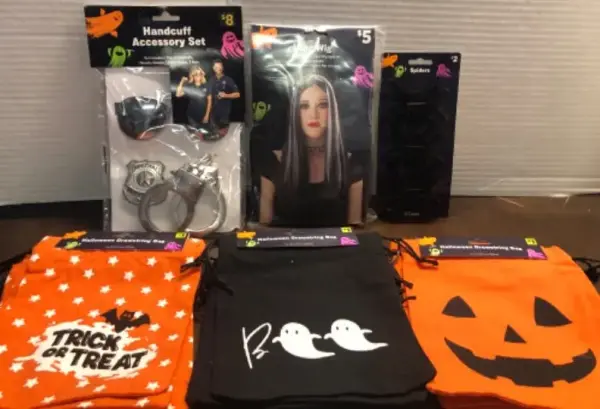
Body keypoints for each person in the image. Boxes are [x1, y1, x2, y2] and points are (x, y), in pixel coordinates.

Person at [259, 75, 365, 226]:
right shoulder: (274, 162)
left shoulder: (352, 164)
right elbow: (264, 228)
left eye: (322, 105)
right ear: (296, 113)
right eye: (304, 106)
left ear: (332, 111)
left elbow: (355, 228)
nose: (313, 115)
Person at [208, 60, 240, 130]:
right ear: (213, 68)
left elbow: (237, 94)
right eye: (216, 67)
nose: (218, 68)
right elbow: (208, 96)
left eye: (220, 66)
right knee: (212, 133)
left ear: (222, 67)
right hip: (212, 115)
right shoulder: (211, 80)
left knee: (223, 133)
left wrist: (226, 95)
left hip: (224, 115)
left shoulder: (228, 80)